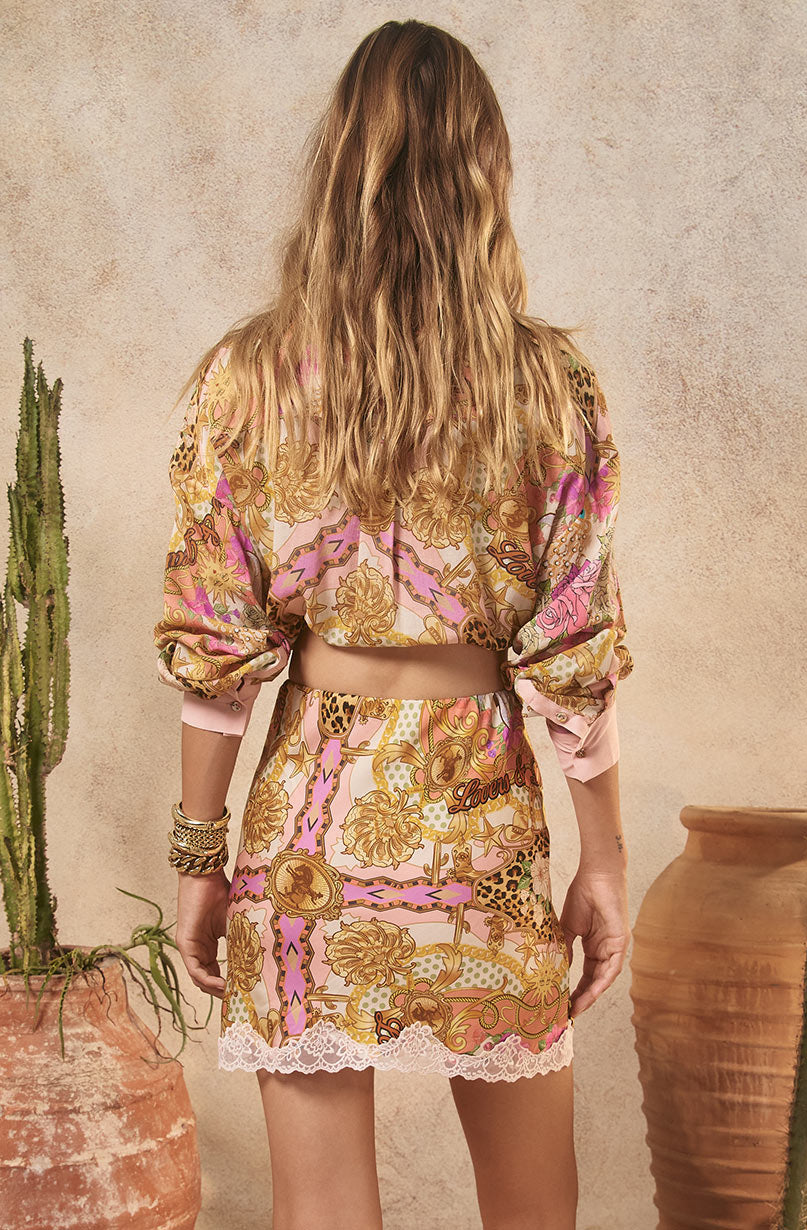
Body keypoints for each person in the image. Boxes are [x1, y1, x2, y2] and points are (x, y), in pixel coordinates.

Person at [153, 18, 634, 1230]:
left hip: (309, 820)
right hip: (480, 828)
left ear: (335, 167)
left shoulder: (246, 380)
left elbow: (215, 650)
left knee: (321, 1216)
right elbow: (575, 654)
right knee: (535, 1214)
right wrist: (606, 862)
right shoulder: (548, 387)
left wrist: (199, 859)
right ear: (485, 173)